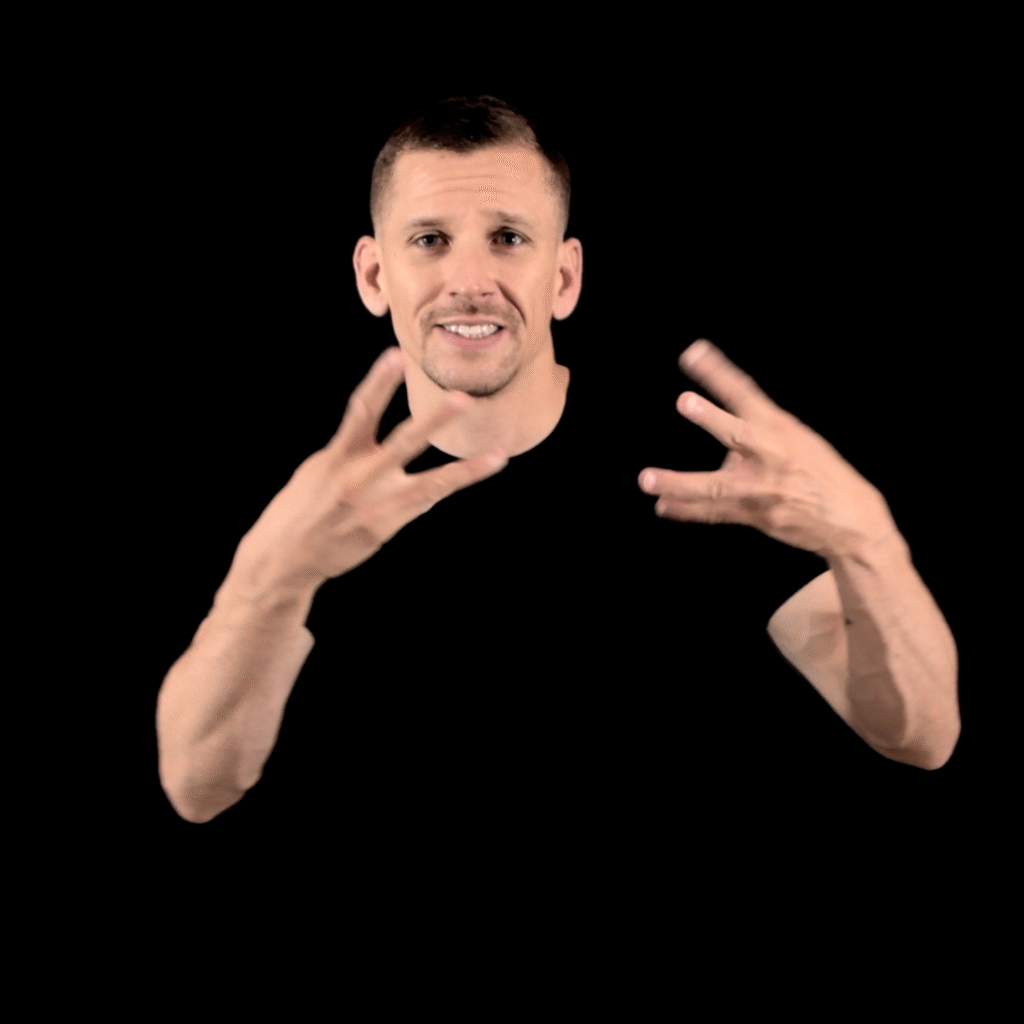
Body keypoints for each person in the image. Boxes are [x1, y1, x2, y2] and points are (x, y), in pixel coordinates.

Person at [155, 95, 961, 825]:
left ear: (565, 277)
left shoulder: (706, 474)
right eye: (430, 241)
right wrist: (273, 577)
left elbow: (920, 735)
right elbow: (198, 784)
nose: (471, 281)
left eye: (508, 239)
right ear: (374, 274)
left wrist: (868, 541)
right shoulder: (299, 489)